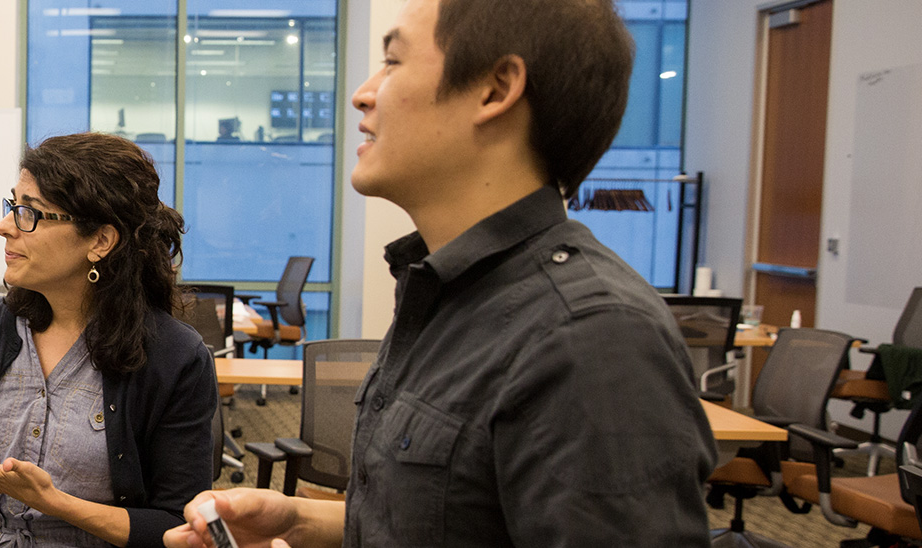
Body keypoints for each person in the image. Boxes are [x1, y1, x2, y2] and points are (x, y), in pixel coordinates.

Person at [165, 0, 716, 547]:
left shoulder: (591, 338)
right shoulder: (447, 297)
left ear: (496, 89)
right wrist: (300, 522)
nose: (363, 92)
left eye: (394, 62)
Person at [0, 132, 219, 547]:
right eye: (13, 205)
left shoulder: (175, 357)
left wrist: (54, 502)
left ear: (100, 241)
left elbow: (177, 528)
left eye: (30, 213)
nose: (5, 225)